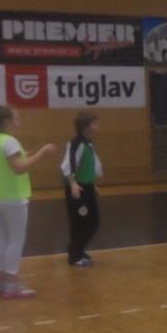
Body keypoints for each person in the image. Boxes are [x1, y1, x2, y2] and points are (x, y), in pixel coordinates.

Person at [0, 106, 55, 299]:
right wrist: (42, 153)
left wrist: (24, 154)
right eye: (16, 119)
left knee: (4, 239)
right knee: (15, 240)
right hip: (13, 197)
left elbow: (6, 162)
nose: (19, 122)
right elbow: (19, 168)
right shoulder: (9, 141)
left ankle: (2, 282)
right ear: (6, 122)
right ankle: (12, 285)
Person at [61, 112, 103, 267]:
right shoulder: (76, 143)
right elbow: (68, 166)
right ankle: (75, 256)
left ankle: (76, 249)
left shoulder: (88, 143)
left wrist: (93, 184)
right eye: (94, 123)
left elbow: (88, 166)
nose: (97, 126)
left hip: (87, 186)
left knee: (94, 221)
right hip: (78, 188)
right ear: (85, 126)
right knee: (80, 222)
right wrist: (73, 185)